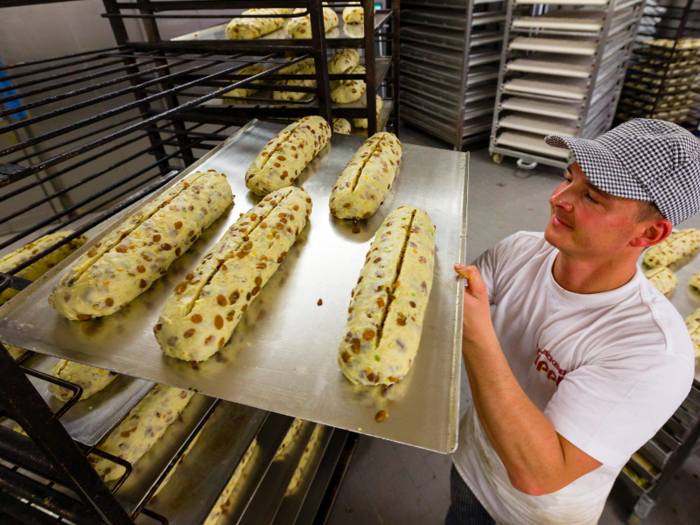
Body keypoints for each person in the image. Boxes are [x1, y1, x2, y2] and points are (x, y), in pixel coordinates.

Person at [447, 119, 700, 525]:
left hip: (529, 515)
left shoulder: (653, 353)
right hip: (471, 466)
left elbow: (538, 474)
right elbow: (443, 312)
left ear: (650, 233)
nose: (558, 198)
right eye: (568, 178)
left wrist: (476, 335)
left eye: (592, 198)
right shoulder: (518, 251)